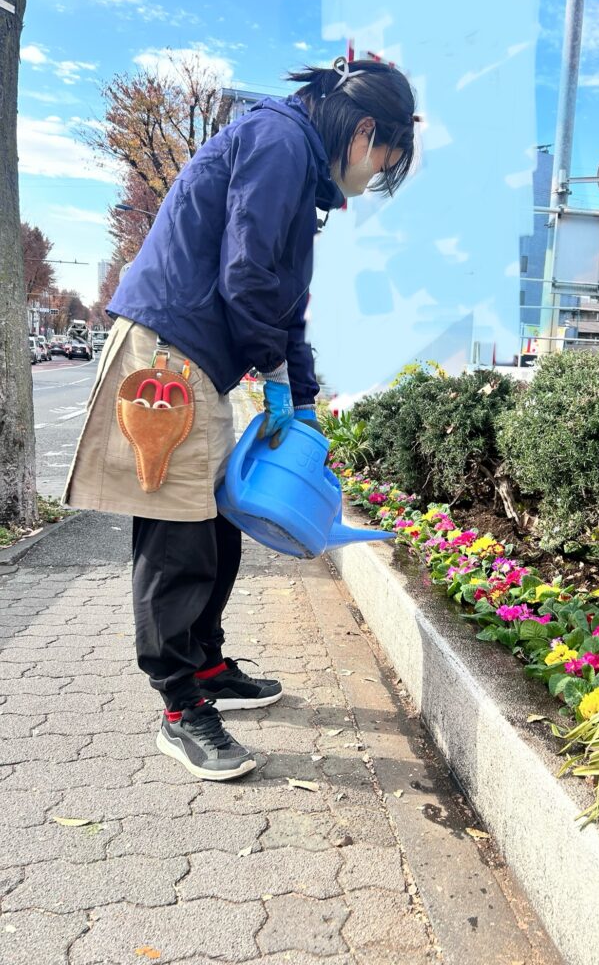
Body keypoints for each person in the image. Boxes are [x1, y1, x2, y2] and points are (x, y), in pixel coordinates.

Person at [64, 57, 417, 781]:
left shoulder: (299, 167)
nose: (375, 179)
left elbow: (285, 306)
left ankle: (207, 665)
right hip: (165, 361)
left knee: (217, 520)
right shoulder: (279, 140)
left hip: (198, 359)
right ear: (364, 130)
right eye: (384, 161)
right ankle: (179, 706)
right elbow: (246, 274)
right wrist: (277, 375)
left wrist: (303, 398)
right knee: (178, 537)